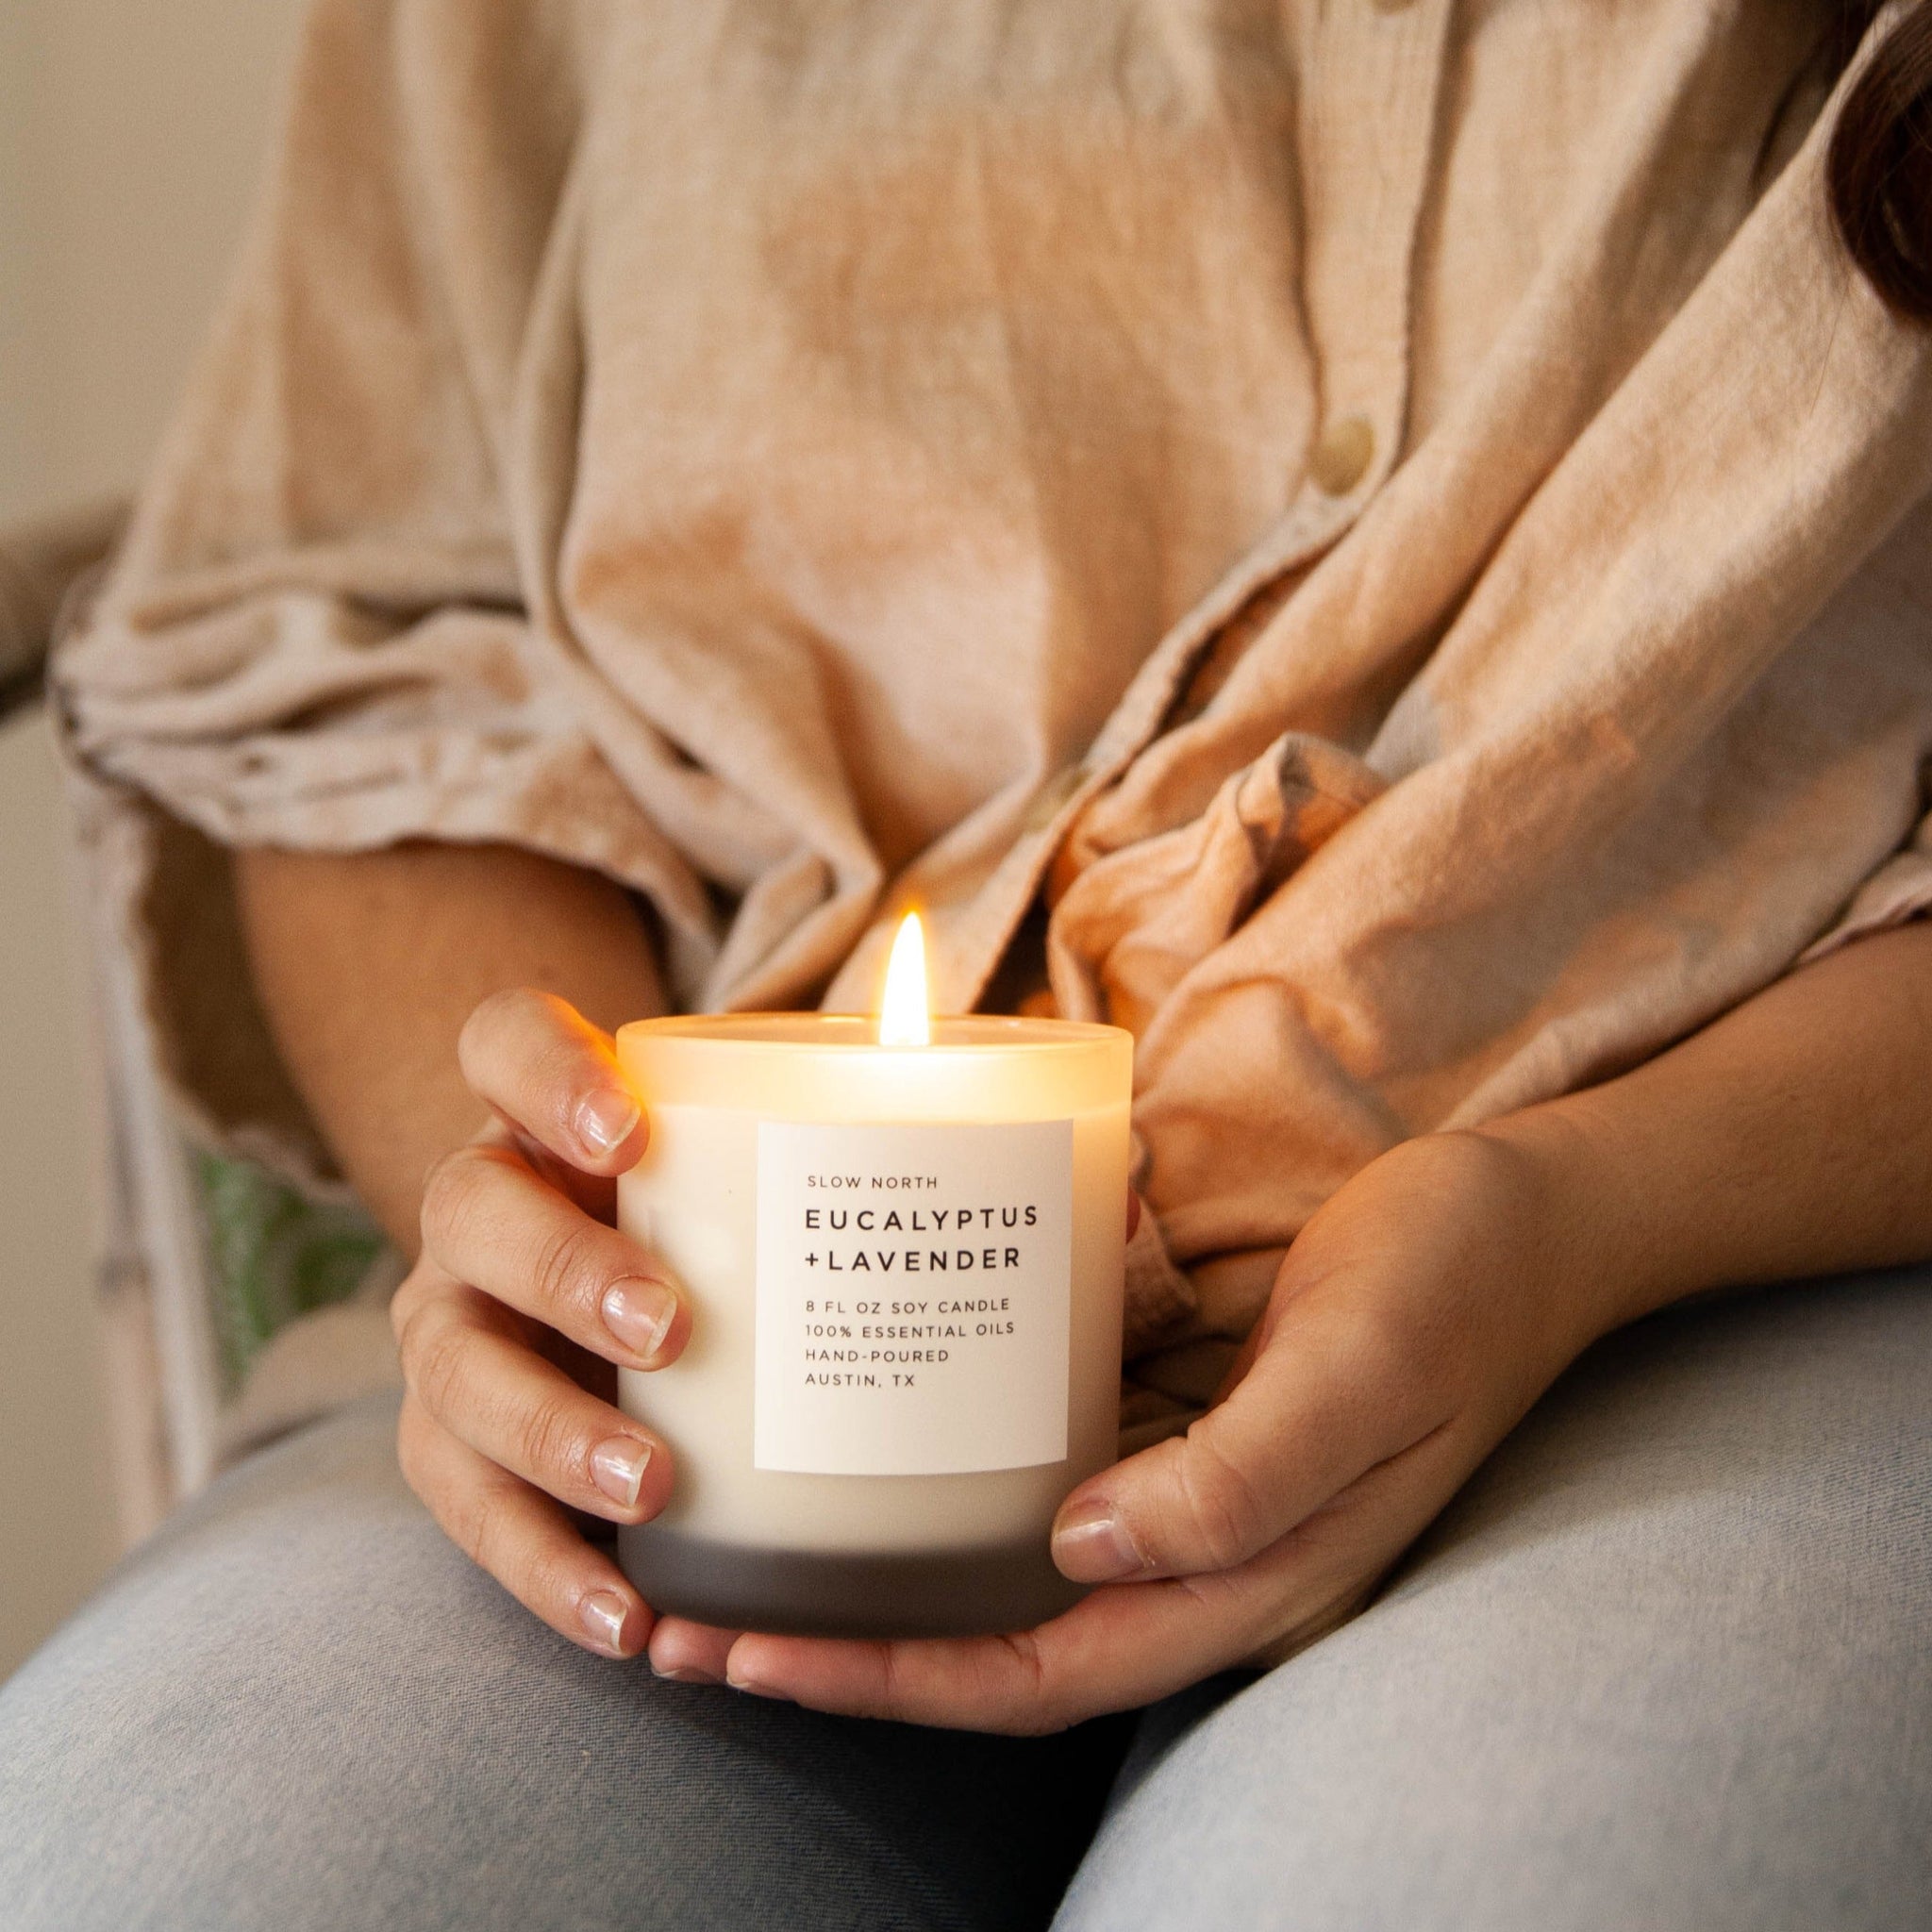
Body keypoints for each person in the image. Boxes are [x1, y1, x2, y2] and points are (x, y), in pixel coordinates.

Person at [6, 2, 1932, 1926]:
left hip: (1664, 1308)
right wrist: (569, 1228)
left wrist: (1571, 1215)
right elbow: (361, 642)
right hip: (701, 1408)